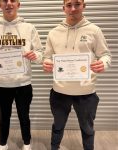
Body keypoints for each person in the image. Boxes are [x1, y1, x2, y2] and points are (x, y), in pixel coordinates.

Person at [43, 0, 111, 150]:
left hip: (86, 93)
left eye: (77, 4)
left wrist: (103, 63)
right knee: (58, 126)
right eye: (69, 5)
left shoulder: (94, 30)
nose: (73, 9)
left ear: (84, 6)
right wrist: (47, 63)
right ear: (63, 8)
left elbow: (105, 54)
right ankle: (55, 147)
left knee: (87, 128)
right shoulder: (53, 32)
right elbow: (47, 56)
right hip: (59, 91)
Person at [0, 0, 43, 150]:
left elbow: (40, 52)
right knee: (4, 117)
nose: (9, 3)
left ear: (18, 4)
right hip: (1, 83)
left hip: (23, 83)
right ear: (0, 5)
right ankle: (3, 143)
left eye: (13, 0)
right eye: (4, 1)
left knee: (24, 116)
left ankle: (27, 142)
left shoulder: (29, 28)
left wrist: (35, 55)